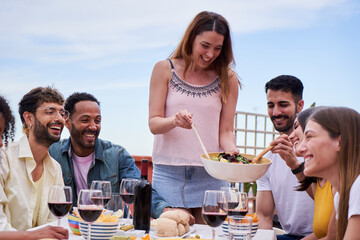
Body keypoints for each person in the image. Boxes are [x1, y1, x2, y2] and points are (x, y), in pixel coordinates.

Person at [148, 11, 240, 223]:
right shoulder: (164, 69)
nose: (211, 53)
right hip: (168, 173)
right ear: (191, 39)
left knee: (211, 235)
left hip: (212, 174)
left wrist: (231, 152)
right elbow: (154, 123)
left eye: (218, 48)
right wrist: (174, 121)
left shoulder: (228, 78)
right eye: (205, 45)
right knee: (172, 234)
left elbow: (225, 131)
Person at [48, 92, 194, 223]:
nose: (93, 126)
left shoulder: (117, 155)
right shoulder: (52, 153)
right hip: (70, 230)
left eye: (97, 121)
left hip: (110, 231)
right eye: (85, 120)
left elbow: (140, 188)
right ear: (67, 122)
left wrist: (165, 210)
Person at [0, 91, 68, 239]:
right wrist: (33, 235)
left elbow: (56, 224)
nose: (59, 119)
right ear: (29, 118)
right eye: (50, 112)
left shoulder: (55, 168)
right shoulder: (4, 158)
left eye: (62, 113)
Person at [256, 75, 314, 239]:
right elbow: (265, 217)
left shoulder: (317, 149)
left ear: (300, 105)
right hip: (288, 235)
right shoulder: (267, 158)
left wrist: (295, 164)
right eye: (270, 105)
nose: (275, 112)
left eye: (283, 105)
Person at [298, 107, 360, 240]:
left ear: (340, 142)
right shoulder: (341, 195)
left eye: (309, 137)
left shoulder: (358, 187)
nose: (299, 149)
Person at [288, 107, 336, 240]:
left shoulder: (347, 185)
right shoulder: (321, 179)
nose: (291, 136)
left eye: (296, 127)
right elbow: (324, 234)